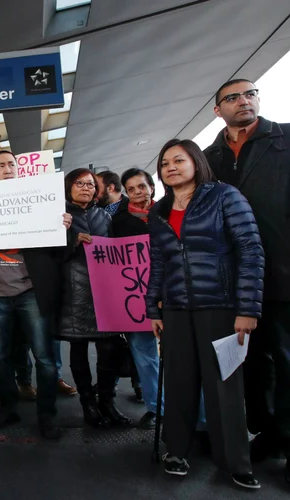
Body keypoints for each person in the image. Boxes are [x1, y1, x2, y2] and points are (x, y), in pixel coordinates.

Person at [147, 138, 264, 489]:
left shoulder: (224, 196)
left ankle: (235, 463)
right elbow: (158, 264)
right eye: (165, 162)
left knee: (224, 386)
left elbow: (250, 250)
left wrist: (247, 308)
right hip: (178, 310)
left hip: (221, 307)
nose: (170, 166)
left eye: (178, 160)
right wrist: (153, 306)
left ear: (196, 162)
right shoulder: (159, 211)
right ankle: (177, 451)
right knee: (180, 382)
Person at [203, 79, 290, 482]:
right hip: (232, 283)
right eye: (233, 97)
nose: (245, 101)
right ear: (218, 110)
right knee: (251, 366)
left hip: (284, 275)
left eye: (250, 93)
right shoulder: (208, 158)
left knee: (286, 361)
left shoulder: (285, 139)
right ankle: (269, 434)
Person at [0, 150, 71, 439]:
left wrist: (63, 227)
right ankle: (7, 407)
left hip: (32, 292)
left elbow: (58, 250)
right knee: (1, 357)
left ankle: (47, 416)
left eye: (12, 164)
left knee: (44, 359)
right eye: (1, 165)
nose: (8, 168)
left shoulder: (38, 200)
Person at [58, 168, 131, 428]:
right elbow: (49, 254)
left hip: (104, 290)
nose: (86, 188)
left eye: (90, 184)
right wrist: (72, 240)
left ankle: (107, 401)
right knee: (78, 348)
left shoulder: (104, 215)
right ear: (69, 186)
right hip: (73, 290)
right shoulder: (59, 215)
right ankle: (87, 403)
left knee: (109, 348)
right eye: (80, 183)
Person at [110, 168, 162, 429]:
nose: (138, 193)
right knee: (145, 355)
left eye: (142, 187)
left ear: (151, 187)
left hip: (173, 295)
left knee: (180, 355)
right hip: (137, 299)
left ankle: (189, 408)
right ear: (125, 193)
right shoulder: (117, 222)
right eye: (131, 189)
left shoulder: (167, 213)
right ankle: (156, 408)